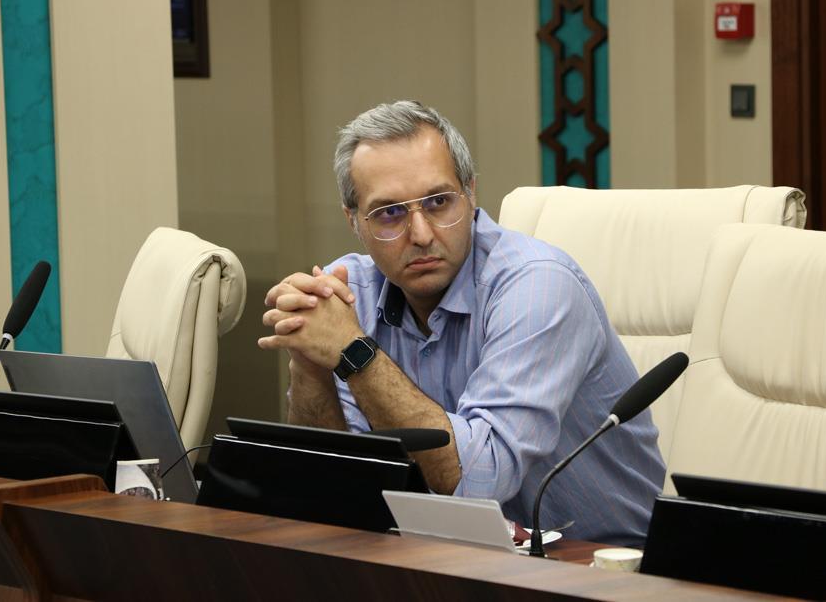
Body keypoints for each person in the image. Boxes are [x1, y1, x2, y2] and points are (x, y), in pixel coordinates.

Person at [258, 100, 664, 545]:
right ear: (353, 220)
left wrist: (355, 352)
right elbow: (335, 484)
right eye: (389, 212)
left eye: (438, 202)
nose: (421, 235)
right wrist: (310, 363)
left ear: (470, 195)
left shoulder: (538, 286)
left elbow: (481, 481)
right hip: (446, 554)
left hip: (602, 560)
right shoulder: (350, 290)